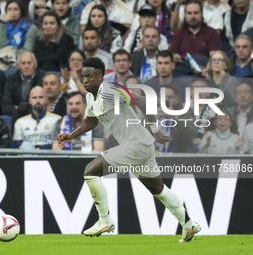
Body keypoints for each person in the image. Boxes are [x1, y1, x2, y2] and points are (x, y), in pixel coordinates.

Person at [57, 57, 201, 242]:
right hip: (140, 144)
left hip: (136, 144)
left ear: (100, 77)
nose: (85, 80)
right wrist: (72, 135)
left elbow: (142, 100)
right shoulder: (90, 97)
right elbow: (91, 120)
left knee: (90, 172)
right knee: (158, 189)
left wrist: (156, 129)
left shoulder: (110, 90)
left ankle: (104, 220)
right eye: (83, 76)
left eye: (90, 76)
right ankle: (189, 224)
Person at [1, 52, 45, 118]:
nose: (26, 66)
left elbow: (39, 104)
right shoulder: (11, 79)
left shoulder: (44, 79)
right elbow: (5, 105)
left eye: (29, 63)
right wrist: (19, 116)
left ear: (36, 64)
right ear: (18, 66)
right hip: (16, 117)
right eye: (23, 63)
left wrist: (19, 108)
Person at [155, 85, 198, 153]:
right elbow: (141, 136)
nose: (166, 99)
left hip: (179, 158)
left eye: (170, 97)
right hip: (154, 158)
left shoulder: (186, 113)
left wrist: (176, 117)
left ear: (176, 100)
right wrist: (156, 119)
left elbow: (191, 134)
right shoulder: (149, 114)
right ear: (158, 100)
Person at [189, 75, 216, 146]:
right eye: (195, 88)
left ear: (209, 92)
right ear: (191, 91)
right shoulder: (182, 109)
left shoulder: (215, 112)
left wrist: (203, 141)